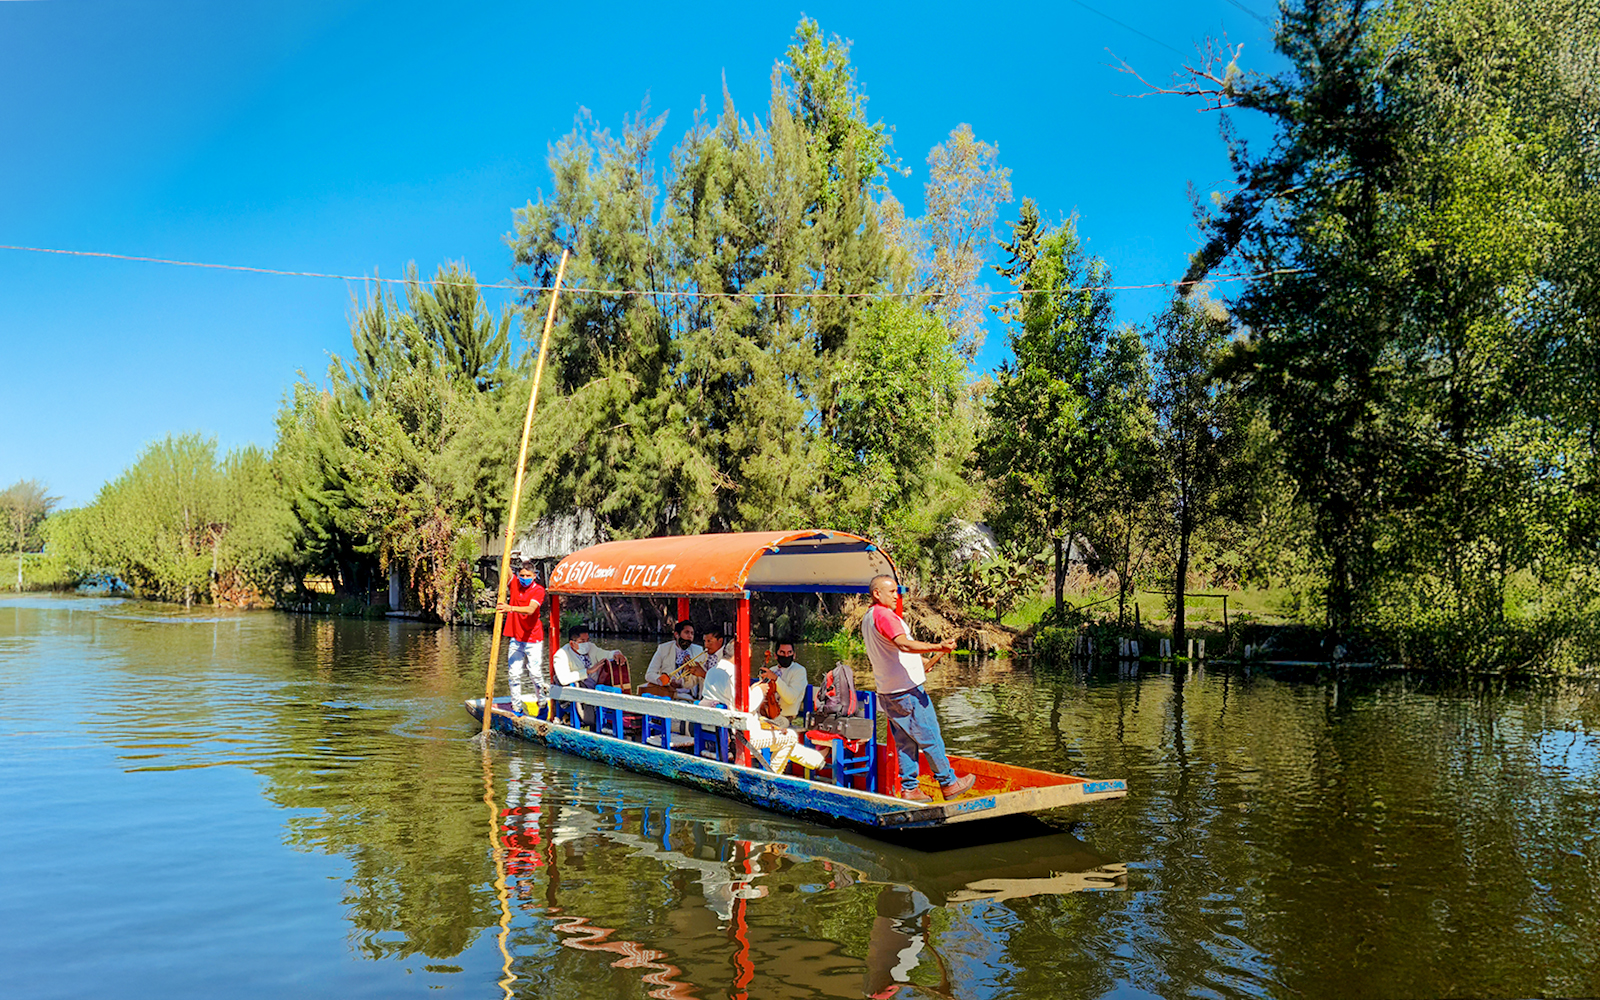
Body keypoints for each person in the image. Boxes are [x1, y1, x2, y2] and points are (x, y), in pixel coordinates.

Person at [862, 574, 975, 801]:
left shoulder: (869, 618)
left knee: (905, 742)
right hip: (906, 691)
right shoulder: (885, 615)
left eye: (897, 591)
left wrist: (922, 662)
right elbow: (902, 643)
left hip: (888, 691)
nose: (897, 595)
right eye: (892, 591)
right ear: (877, 594)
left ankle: (910, 788)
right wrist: (937, 645)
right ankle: (948, 782)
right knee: (930, 735)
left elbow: (890, 651)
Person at [495, 555, 546, 716]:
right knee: (514, 674)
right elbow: (505, 569)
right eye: (522, 575)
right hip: (516, 638)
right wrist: (507, 548)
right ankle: (516, 707)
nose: (524, 578)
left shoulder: (538, 590)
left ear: (534, 576)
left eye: (528, 576)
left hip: (533, 638)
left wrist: (509, 608)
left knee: (535, 673)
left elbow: (531, 610)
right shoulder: (515, 584)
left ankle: (543, 702)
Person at [551, 624, 627, 727]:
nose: (586, 644)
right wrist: (587, 671)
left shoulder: (591, 647)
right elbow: (563, 679)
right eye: (582, 641)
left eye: (587, 640)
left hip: (597, 687)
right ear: (572, 643)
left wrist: (616, 653)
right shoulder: (561, 655)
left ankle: (616, 724)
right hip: (579, 691)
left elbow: (605, 654)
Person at [641, 619, 704, 700]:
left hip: (689, 696)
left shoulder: (698, 650)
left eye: (692, 633)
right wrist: (665, 681)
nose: (690, 636)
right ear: (676, 634)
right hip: (667, 693)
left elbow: (701, 679)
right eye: (686, 632)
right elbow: (649, 674)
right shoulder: (663, 648)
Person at [749, 639, 807, 725]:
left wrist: (776, 679)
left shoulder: (799, 671)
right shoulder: (772, 670)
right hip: (767, 714)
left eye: (789, 652)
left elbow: (791, 698)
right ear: (776, 656)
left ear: (794, 655)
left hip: (785, 717)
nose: (786, 655)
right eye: (782, 652)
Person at [697, 627, 737, 709]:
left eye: (709, 641)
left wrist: (703, 674)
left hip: (722, 703)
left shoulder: (727, 657)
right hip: (702, 699)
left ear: (720, 641)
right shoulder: (702, 657)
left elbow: (722, 682)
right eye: (704, 641)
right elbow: (690, 684)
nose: (706, 645)